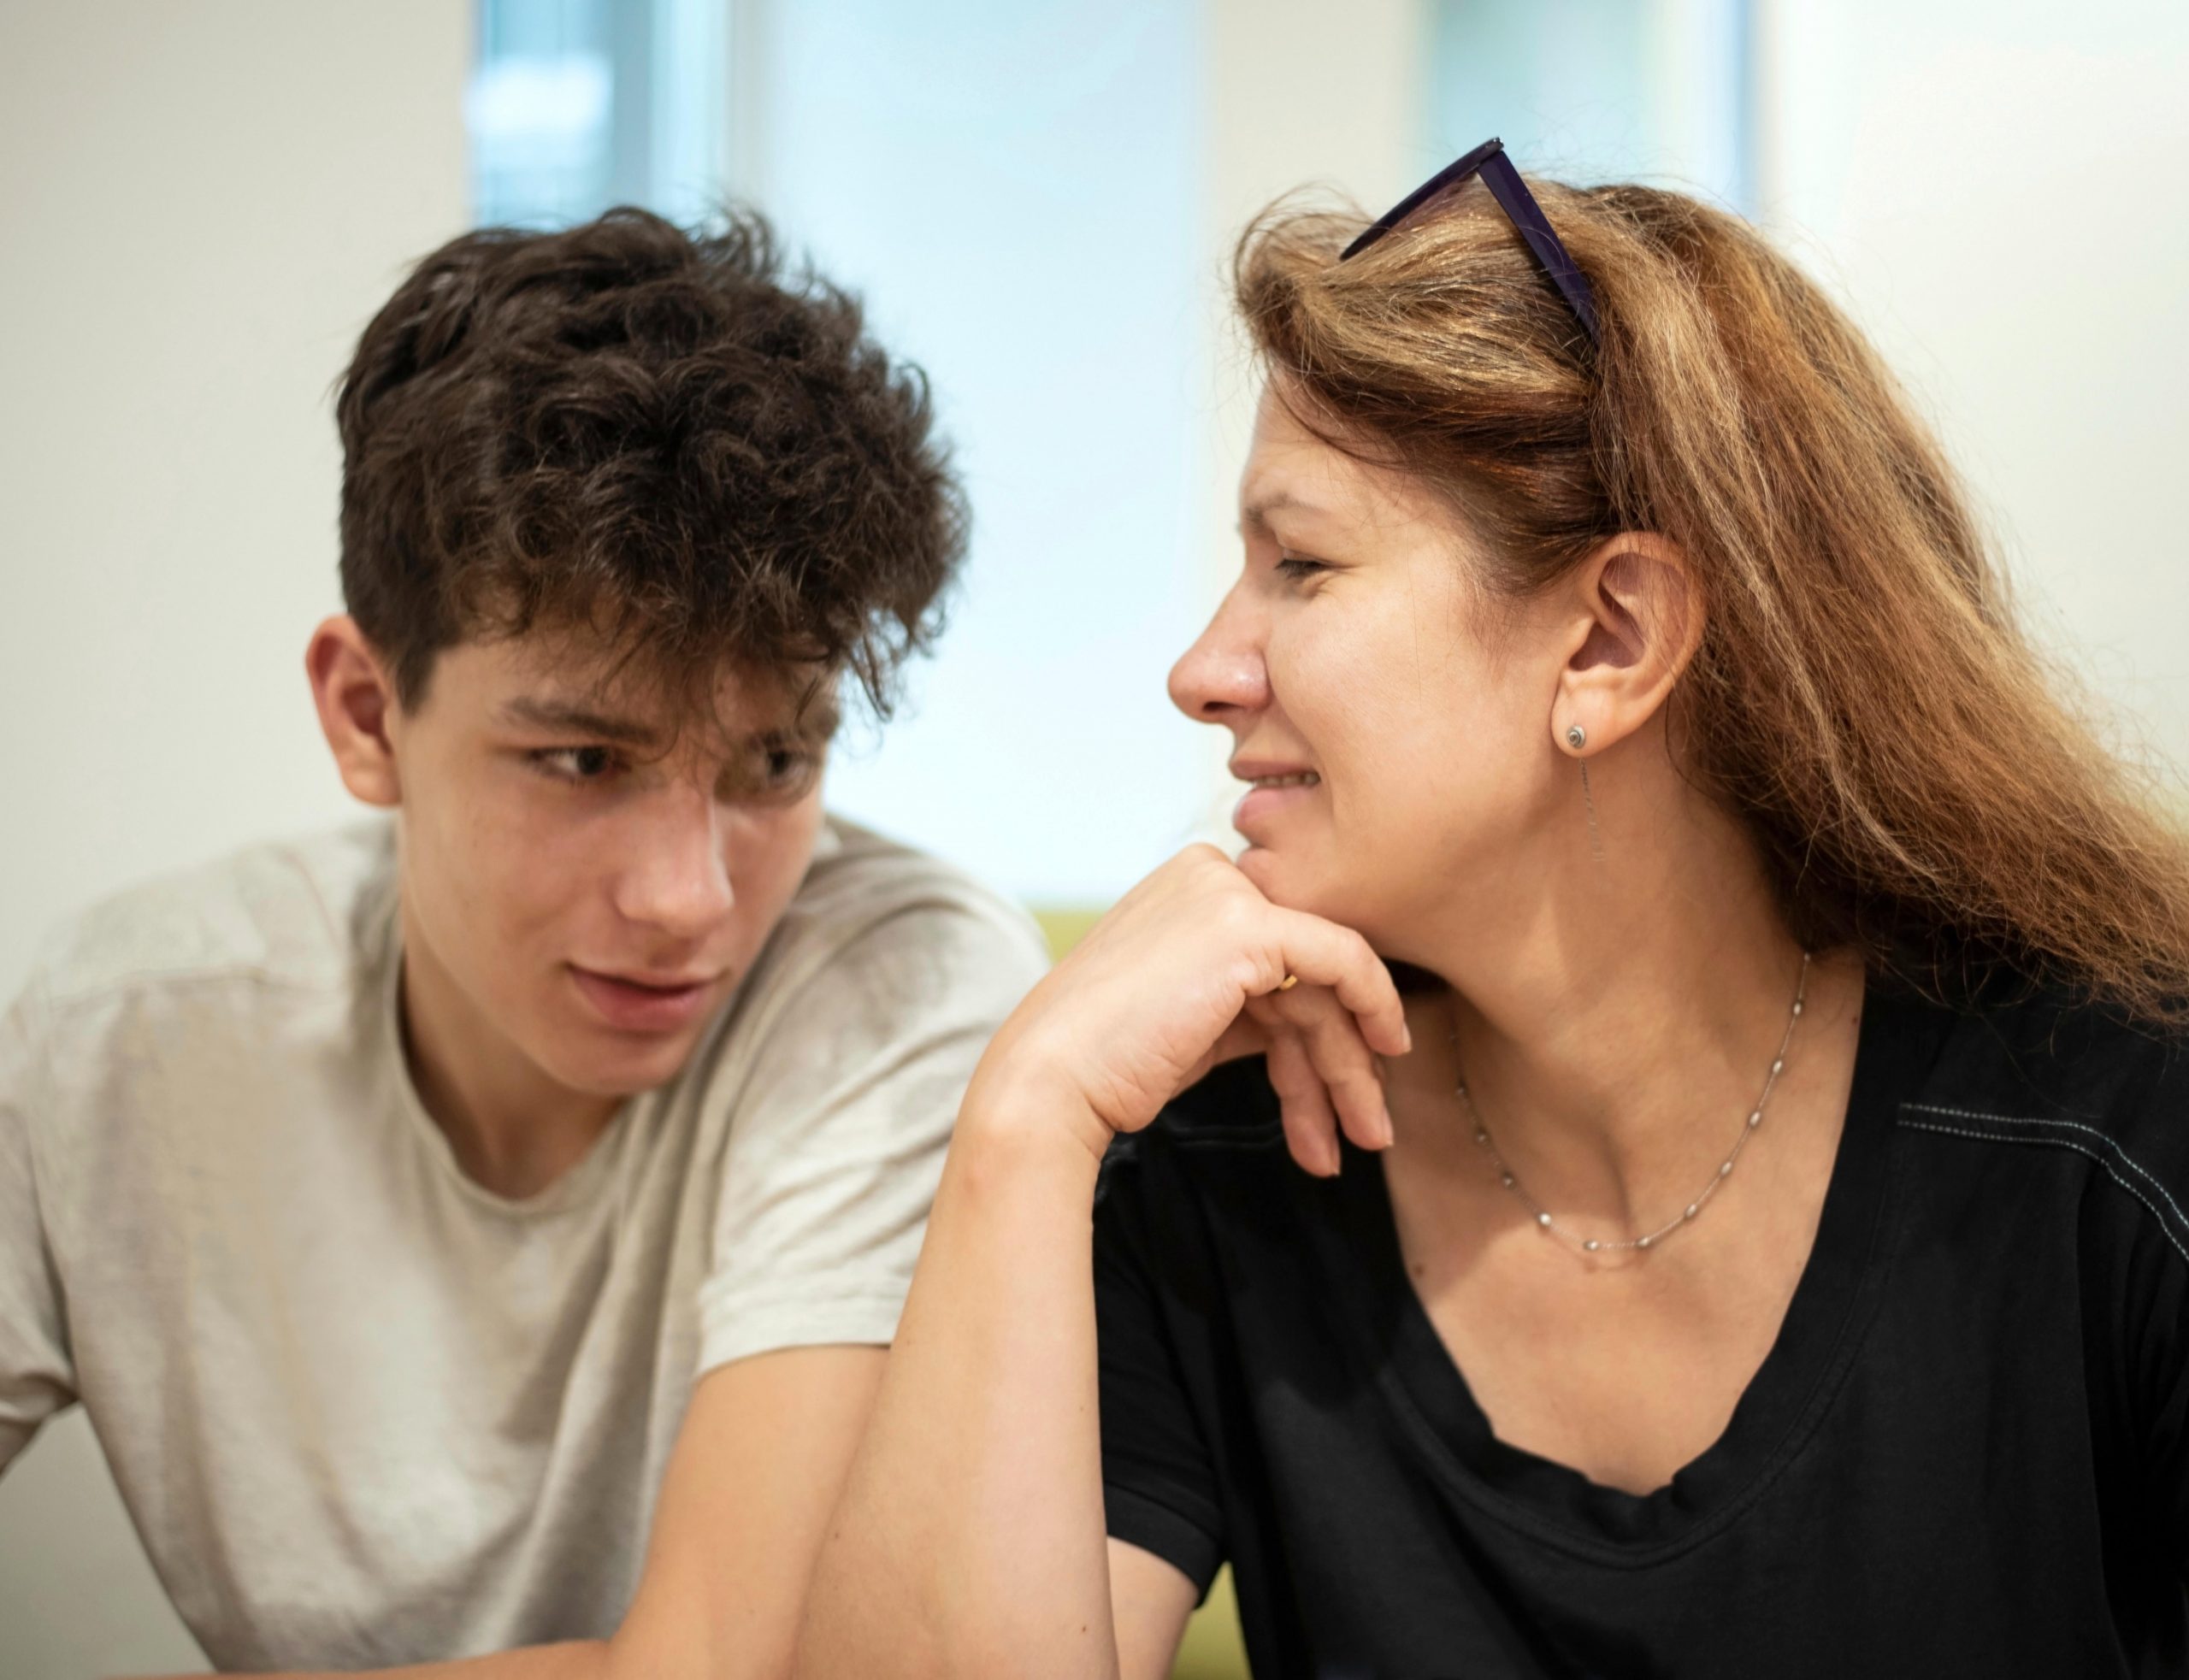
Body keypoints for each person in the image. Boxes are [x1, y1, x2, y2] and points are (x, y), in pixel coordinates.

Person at [795, 150, 2189, 1678]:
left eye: (1302, 564)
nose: (1202, 670)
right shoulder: (1229, 1164)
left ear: (1610, 641)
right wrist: (1024, 1119)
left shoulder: (2120, 1148)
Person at [0, 208, 1048, 1677]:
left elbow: (709, 1674)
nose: (688, 899)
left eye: (774, 764)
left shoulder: (902, 989)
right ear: (367, 716)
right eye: (583, 760)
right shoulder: (124, 1028)